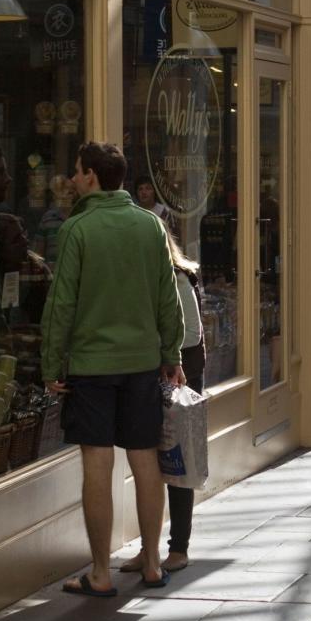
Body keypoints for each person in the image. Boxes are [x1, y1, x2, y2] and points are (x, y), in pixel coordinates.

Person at [41, 141, 185, 597]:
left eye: (78, 171)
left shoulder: (77, 229)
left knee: (98, 466)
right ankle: (152, 565)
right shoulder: (150, 227)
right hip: (142, 364)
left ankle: (101, 572)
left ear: (92, 177)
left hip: (91, 366)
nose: (73, 178)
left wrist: (51, 362)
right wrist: (172, 355)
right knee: (146, 460)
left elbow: (61, 304)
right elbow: (169, 298)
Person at [121, 221, 205, 575]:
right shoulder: (145, 277)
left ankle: (178, 547)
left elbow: (188, 334)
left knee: (176, 457)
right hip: (150, 373)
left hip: (175, 375)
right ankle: (149, 548)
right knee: (150, 461)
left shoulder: (177, 276)